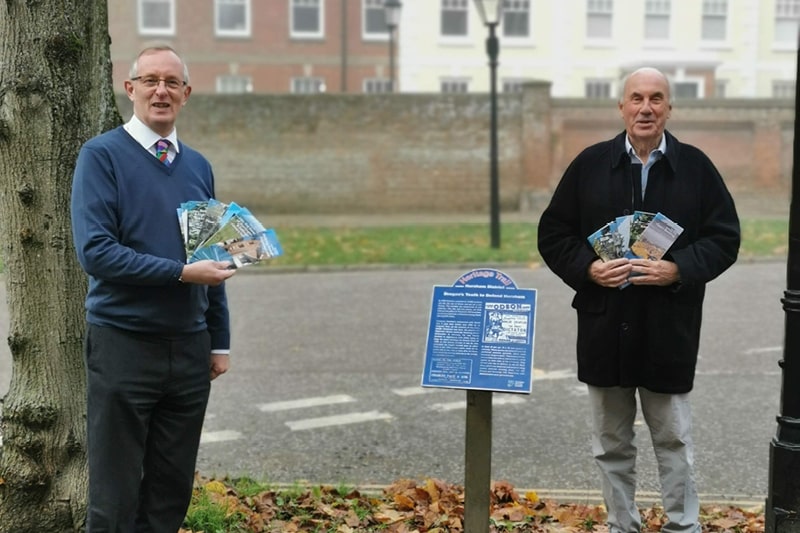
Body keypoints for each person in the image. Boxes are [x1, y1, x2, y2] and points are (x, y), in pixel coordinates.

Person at [537, 67, 740, 533]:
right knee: (611, 444)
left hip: (669, 328)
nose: (645, 108)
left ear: (669, 107)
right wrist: (588, 269)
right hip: (604, 325)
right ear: (622, 107)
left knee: (673, 440)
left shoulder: (696, 167)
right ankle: (621, 526)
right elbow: (553, 233)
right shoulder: (590, 164)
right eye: (636, 99)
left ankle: (682, 527)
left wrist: (679, 269)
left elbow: (724, 238)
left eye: (656, 99)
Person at [71, 44, 237, 532]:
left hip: (188, 351)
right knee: (114, 491)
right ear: (131, 89)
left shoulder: (198, 167)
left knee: (170, 488)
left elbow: (209, 257)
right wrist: (181, 274)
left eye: (171, 83)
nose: (160, 91)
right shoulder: (101, 156)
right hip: (123, 343)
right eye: (150, 81)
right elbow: (96, 252)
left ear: (186, 94)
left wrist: (218, 339)